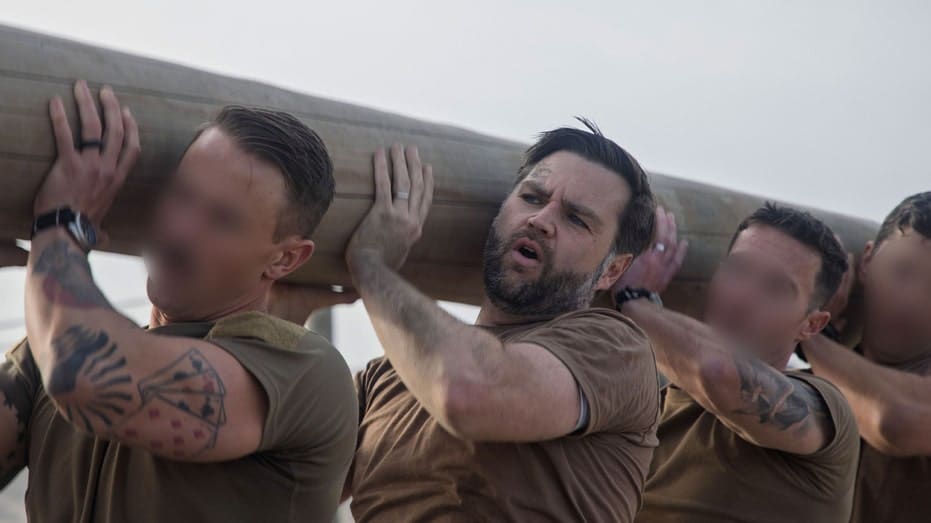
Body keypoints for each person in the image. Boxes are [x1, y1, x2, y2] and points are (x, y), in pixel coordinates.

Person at [2, 81, 357, 522]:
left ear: (285, 258)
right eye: (181, 194)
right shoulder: (46, 352)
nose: (181, 231)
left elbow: (87, 378)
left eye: (223, 220)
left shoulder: (306, 372)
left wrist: (60, 224)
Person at [340, 121, 661, 522]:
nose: (540, 219)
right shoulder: (386, 376)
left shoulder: (616, 349)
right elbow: (290, 481)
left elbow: (468, 393)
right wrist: (287, 307)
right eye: (531, 197)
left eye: (576, 219)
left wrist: (370, 264)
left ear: (612, 270)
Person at [618, 203, 860, 523]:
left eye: (776, 288)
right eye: (737, 270)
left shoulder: (826, 411)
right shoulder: (648, 406)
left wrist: (633, 299)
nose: (742, 298)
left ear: (812, 325)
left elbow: (718, 371)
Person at [800, 192, 931, 523]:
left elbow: (893, 419)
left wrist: (809, 332)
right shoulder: (812, 376)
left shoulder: (819, 353)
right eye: (901, 271)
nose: (911, 300)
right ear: (867, 261)